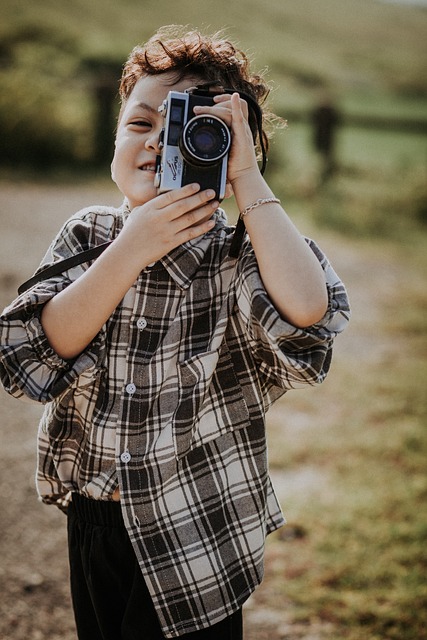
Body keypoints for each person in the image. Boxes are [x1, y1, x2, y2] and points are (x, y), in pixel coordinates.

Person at [0, 26, 350, 640]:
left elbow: (308, 314)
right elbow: (33, 350)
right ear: (113, 139)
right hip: (96, 516)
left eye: (194, 131)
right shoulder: (90, 236)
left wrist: (248, 179)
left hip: (201, 528)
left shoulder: (240, 253)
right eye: (140, 125)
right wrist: (131, 250)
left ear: (231, 151)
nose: (159, 144)